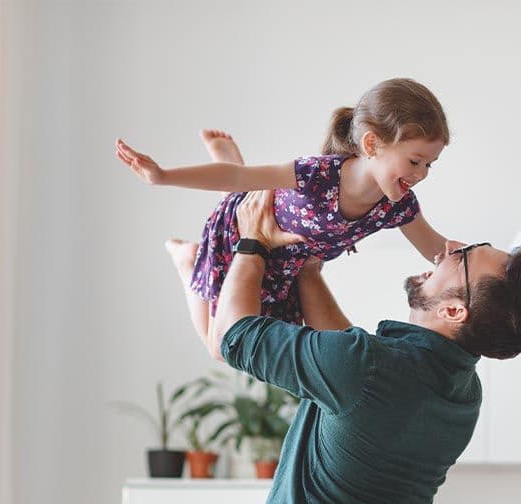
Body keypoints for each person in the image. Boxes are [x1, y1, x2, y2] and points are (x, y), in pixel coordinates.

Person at [214, 188, 521, 504]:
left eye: (465, 258)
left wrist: (252, 242)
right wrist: (308, 271)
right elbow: (348, 364)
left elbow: (234, 334)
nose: (449, 248)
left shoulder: (369, 368)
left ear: (455, 311)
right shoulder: (460, 391)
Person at [115, 78, 452, 355]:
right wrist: (162, 176)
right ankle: (187, 259)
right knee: (220, 349)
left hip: (284, 267)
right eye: (414, 161)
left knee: (248, 346)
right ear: (372, 144)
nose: (421, 174)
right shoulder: (318, 174)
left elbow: (439, 249)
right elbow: (235, 178)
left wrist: (500, 264)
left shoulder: (398, 206)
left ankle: (234, 166)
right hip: (241, 234)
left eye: (429, 164)